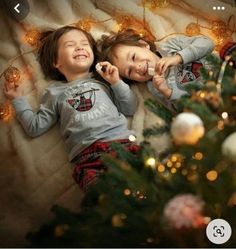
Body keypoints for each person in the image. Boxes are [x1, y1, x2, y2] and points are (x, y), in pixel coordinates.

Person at [3, 26, 138, 192]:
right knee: (103, 200)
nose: (80, 47)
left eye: (84, 44)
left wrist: (117, 82)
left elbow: (130, 108)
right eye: (70, 45)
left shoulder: (103, 80)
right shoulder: (54, 93)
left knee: (141, 183)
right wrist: (18, 100)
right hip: (88, 159)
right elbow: (35, 127)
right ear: (56, 62)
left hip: (121, 145)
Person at [97, 29, 215, 112]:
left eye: (133, 57)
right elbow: (184, 110)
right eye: (129, 72)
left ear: (143, 45)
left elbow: (208, 43)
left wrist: (178, 57)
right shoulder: (155, 87)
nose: (137, 67)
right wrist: (167, 92)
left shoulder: (171, 46)